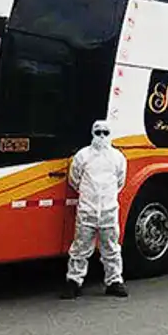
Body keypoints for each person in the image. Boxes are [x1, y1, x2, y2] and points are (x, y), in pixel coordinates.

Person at [61, 120, 130, 299]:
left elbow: (120, 182)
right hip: (87, 211)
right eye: (98, 132)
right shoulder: (82, 156)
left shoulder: (118, 157)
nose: (101, 136)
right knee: (80, 248)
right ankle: (74, 281)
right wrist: (88, 197)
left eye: (105, 132)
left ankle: (114, 281)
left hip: (109, 210)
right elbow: (74, 179)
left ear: (110, 134)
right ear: (92, 133)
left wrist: (106, 199)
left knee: (111, 247)